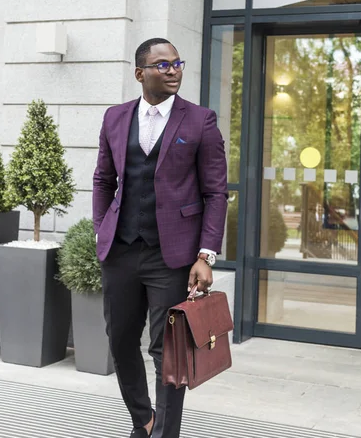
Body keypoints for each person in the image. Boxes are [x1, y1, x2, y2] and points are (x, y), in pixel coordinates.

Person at [93, 38, 228, 438]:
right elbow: (103, 179)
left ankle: (165, 433)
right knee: (119, 342)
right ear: (140, 73)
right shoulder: (115, 117)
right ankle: (145, 420)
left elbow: (215, 192)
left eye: (177, 63)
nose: (173, 70)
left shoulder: (200, 120)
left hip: (172, 254)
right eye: (162, 64)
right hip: (120, 250)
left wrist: (205, 254)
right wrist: (103, 227)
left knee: (167, 351)